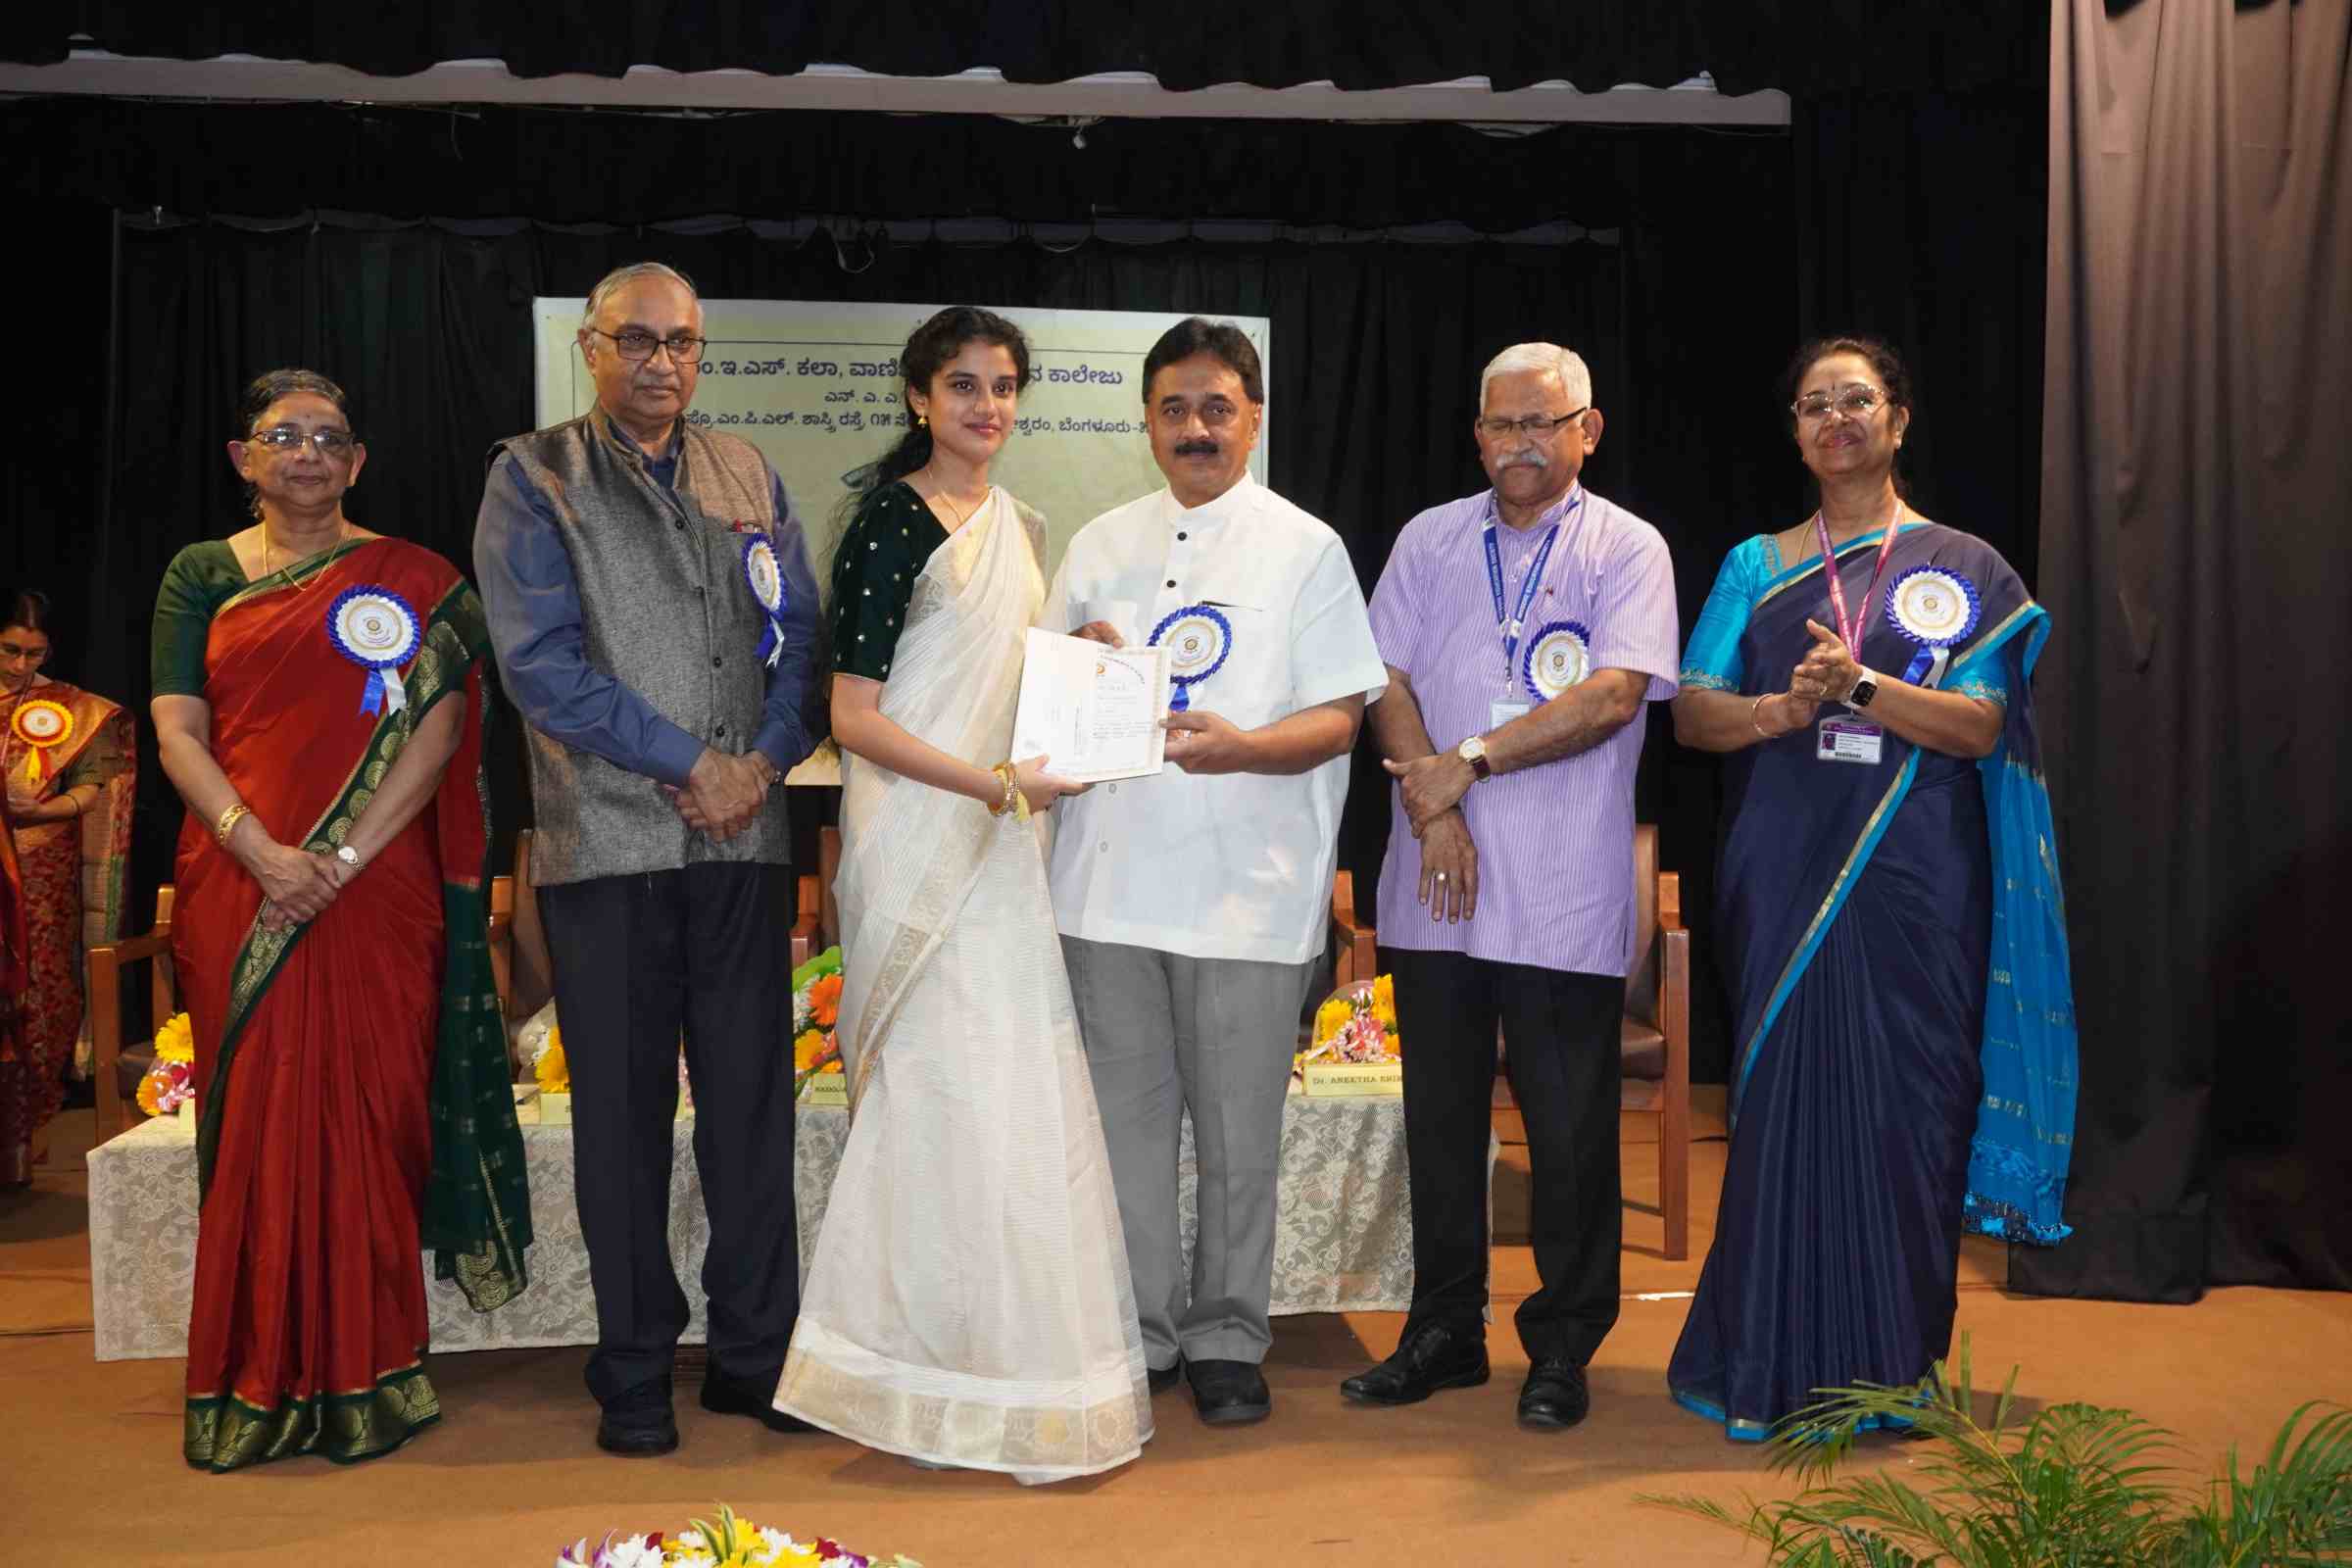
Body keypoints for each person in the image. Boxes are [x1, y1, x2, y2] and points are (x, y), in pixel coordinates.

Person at [1666, 336, 2078, 1439]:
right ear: (1796, 433)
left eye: (1858, 399)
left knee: (1913, 1114)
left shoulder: (1966, 566)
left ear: (1898, 420)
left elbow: (1981, 725)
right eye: (1815, 404)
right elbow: (1693, 709)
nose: (1836, 418)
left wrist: (1858, 686)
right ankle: (1766, 1364)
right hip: (1783, 865)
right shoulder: (1754, 565)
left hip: (1920, 878)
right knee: (1781, 1114)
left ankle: (1892, 1368)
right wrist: (1781, 710)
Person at [772, 306, 1151, 1483]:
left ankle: (1002, 1374)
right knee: (933, 1093)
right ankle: (898, 1371)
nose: (987, 406)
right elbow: (855, 718)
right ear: (919, 397)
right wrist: (994, 788)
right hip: (924, 837)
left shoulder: (1019, 528)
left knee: (1008, 1096)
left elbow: (1008, 681)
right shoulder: (892, 521)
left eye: (1003, 386)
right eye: (964, 385)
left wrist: (1083, 651)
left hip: (1000, 843)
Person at [473, 262, 825, 1458]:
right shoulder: (533, 476)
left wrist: (761, 762)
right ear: (590, 347)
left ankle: (752, 1353)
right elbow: (542, 668)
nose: (662, 361)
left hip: (744, 843)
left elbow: (799, 642)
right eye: (637, 340)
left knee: (751, 1112)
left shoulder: (747, 470)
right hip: (609, 848)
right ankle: (631, 1370)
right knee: (621, 1122)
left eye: (681, 342)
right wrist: (692, 762)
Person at [151, 369, 531, 1470]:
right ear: (245, 458)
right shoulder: (201, 574)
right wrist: (260, 850)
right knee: (258, 1126)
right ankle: (251, 1375)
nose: (308, 454)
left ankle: (373, 1368)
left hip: (377, 889)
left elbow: (440, 728)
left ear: (358, 460)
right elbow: (177, 730)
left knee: (371, 1115)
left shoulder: (416, 580)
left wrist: (343, 859)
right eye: (284, 436)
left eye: (329, 437)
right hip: (239, 881)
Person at [1045, 318, 1388, 1427]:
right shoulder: (1097, 543)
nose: (1196, 428)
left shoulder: (1307, 548)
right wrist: (1074, 675)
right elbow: (1047, 711)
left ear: (1254, 419)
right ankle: (1141, 1332)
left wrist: (1243, 747)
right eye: (1175, 408)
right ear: (1147, 421)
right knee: (1126, 1137)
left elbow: (1339, 717)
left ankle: (1230, 1337)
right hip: (1104, 891)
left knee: (1242, 1141)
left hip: (1249, 891)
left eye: (1217, 408)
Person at [1342, 343, 1680, 1430]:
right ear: (1478, 434)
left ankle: (1564, 1345)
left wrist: (1471, 761)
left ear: (1589, 430)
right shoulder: (1429, 538)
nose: (1519, 444)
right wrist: (1435, 801)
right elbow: (1380, 676)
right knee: (1439, 1122)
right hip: (1432, 884)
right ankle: (1444, 1331)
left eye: (1542, 423)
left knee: (1569, 1131)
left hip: (1560, 889)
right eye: (1501, 424)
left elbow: (1615, 694)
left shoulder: (1627, 546)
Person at [0, 589, 133, 1186]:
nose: (20, 665)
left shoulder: (73, 710)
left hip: (40, 874)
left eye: (34, 654)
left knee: (38, 994)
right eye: (9, 650)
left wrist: (44, 809)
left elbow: (91, 788)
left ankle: (24, 1137)